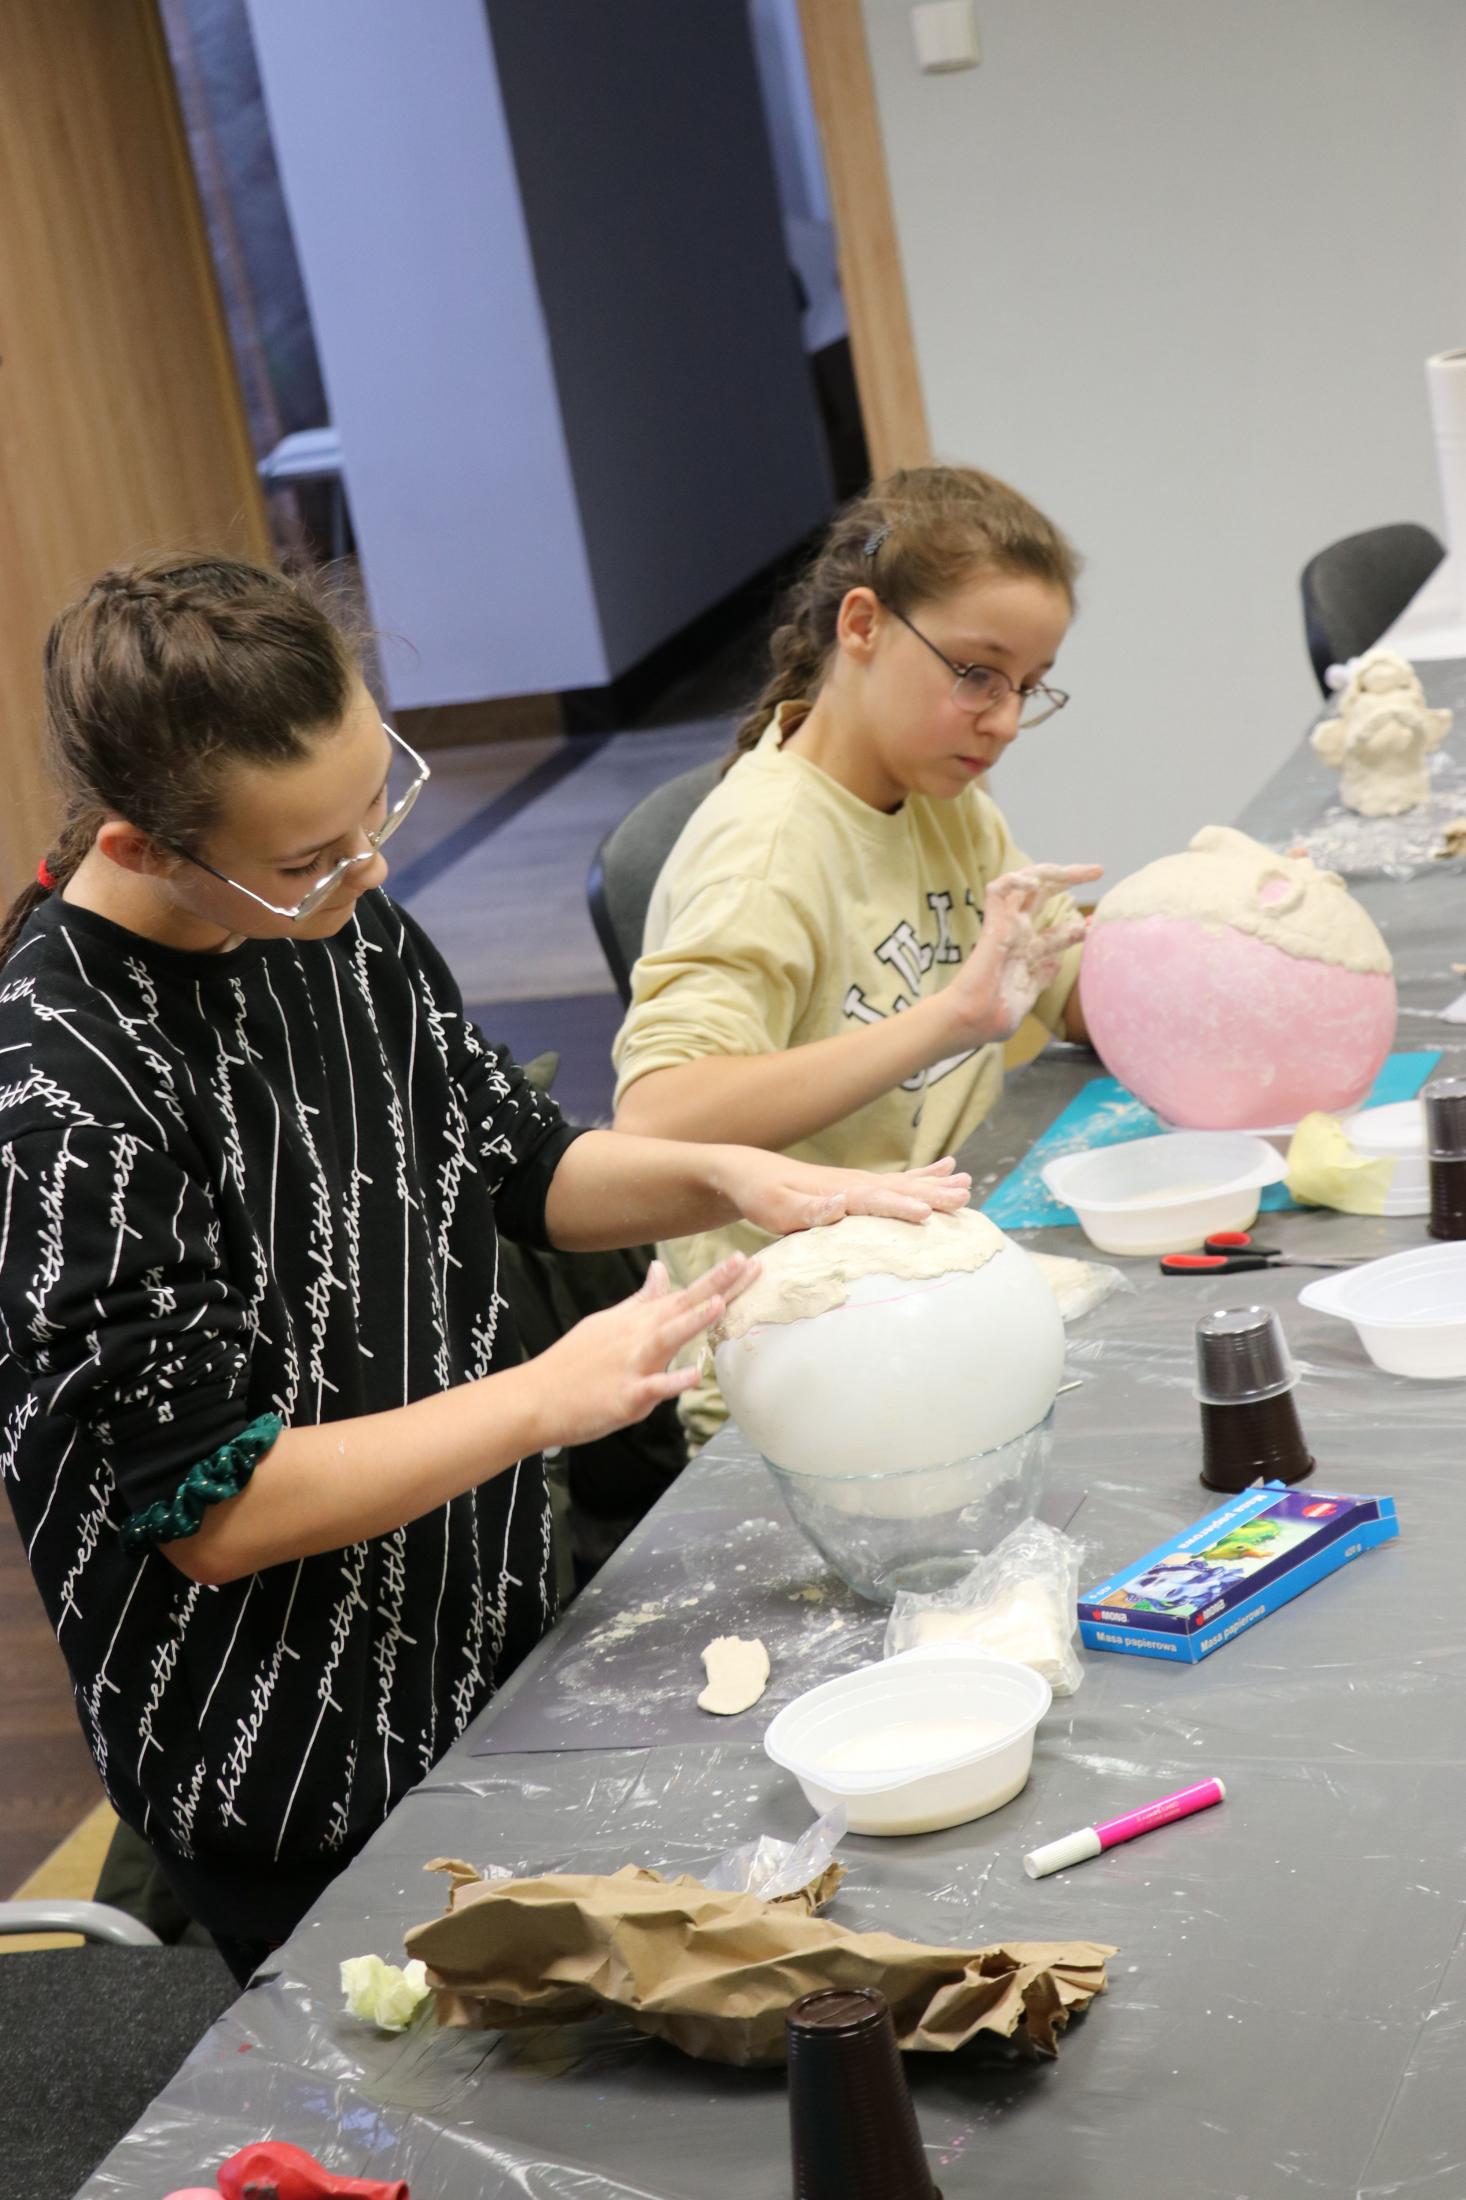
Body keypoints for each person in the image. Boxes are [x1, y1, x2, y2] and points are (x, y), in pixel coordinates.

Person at [0, 556, 973, 1984]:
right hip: (294, 1756)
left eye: (376, 806)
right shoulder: (63, 1094)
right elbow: (214, 1503)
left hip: (487, 1647)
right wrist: (541, 1399)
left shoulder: (333, 922)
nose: (369, 869)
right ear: (143, 847)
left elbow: (511, 1162)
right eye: (309, 856)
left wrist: (729, 1175)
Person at [612, 466, 1101, 1444]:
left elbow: (1070, 988)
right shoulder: (764, 856)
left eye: (1026, 686)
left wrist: (1206, 928)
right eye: (977, 673)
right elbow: (656, 1119)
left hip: (935, 1282)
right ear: (864, 624)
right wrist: (949, 1021)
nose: (1004, 720)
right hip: (802, 1363)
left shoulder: (941, 797)